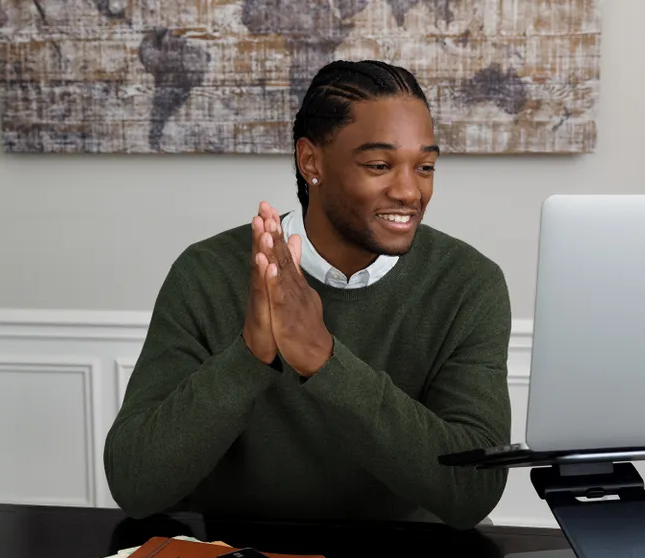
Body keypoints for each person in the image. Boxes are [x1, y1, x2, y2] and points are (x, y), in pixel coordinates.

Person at [104, 59, 512, 529]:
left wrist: (323, 359)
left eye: (425, 166)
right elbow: (135, 485)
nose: (409, 191)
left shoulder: (467, 284)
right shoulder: (207, 274)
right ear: (311, 161)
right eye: (379, 165)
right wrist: (250, 356)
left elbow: (473, 492)